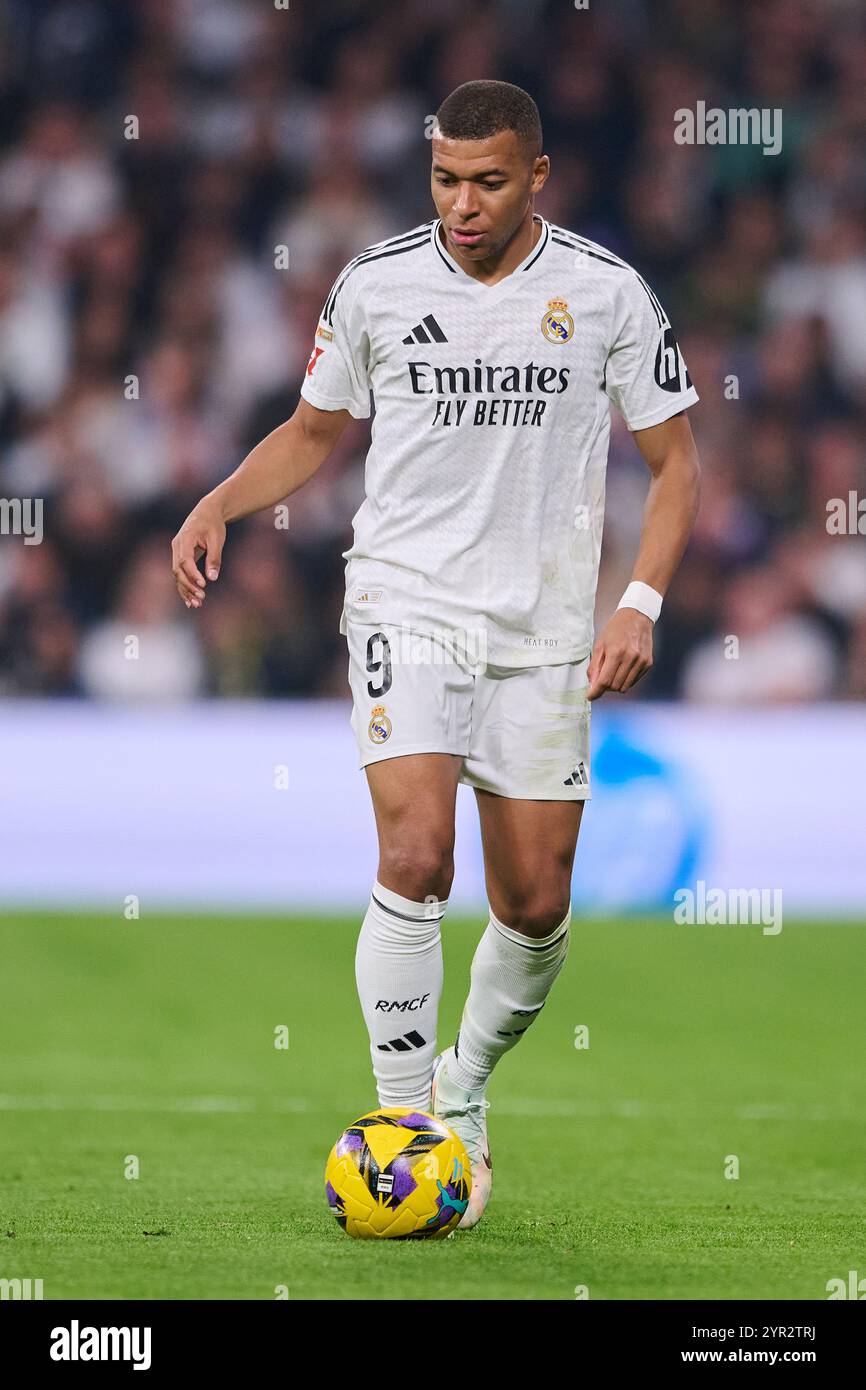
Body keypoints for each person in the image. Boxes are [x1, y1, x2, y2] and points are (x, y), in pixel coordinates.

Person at [171, 80, 701, 1229]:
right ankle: (403, 1127)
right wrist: (218, 499)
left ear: (538, 176)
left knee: (536, 905)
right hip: (405, 606)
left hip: (547, 632)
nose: (462, 204)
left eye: (489, 181)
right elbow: (314, 430)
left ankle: (462, 1088)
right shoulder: (376, 283)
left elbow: (675, 465)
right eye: (445, 179)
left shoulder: (605, 294)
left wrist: (638, 604)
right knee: (415, 855)